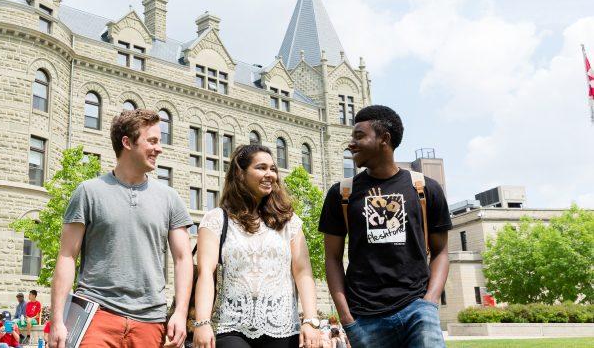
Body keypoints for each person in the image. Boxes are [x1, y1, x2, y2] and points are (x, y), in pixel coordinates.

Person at [48, 109, 194, 348]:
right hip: (96, 315)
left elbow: (183, 258)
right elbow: (66, 256)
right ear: (127, 142)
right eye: (153, 141)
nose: (159, 148)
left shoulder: (170, 198)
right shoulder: (88, 192)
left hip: (150, 321)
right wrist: (57, 320)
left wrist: (180, 312)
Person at [319, 105, 452, 348]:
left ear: (384, 139)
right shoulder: (341, 194)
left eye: (359, 136)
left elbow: (441, 251)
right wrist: (346, 317)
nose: (351, 143)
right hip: (365, 318)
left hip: (418, 311)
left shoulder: (425, 189)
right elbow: (332, 258)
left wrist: (430, 303)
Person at [193, 144, 322, 348]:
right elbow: (205, 274)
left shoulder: (289, 221)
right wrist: (202, 322)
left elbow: (303, 271)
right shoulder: (216, 219)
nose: (269, 174)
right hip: (231, 326)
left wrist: (311, 320)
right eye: (261, 167)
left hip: (283, 328)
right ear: (240, 173)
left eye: (273, 169)